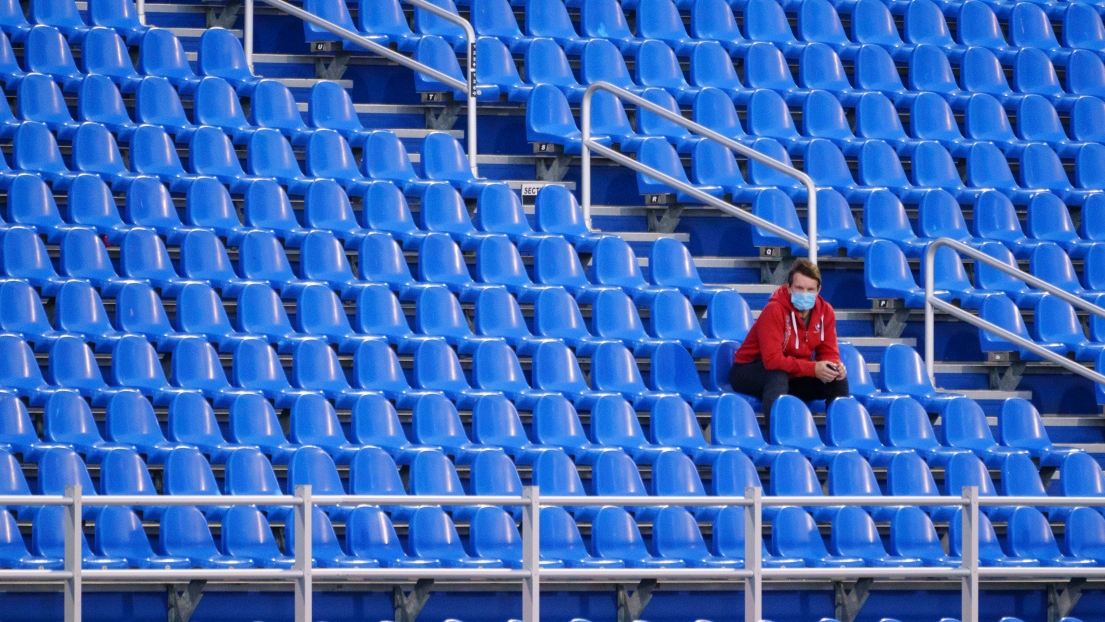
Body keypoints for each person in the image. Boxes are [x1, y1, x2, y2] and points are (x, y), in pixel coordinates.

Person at [728, 258, 849, 429]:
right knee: (777, 375)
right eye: (799, 288)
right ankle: (779, 441)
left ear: (818, 290)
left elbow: (828, 352)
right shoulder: (774, 310)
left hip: (791, 373)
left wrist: (834, 366)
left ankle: (840, 438)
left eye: (810, 289)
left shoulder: (826, 312)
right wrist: (813, 369)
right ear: (789, 287)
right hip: (749, 370)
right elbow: (772, 361)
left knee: (837, 379)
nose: (804, 294)